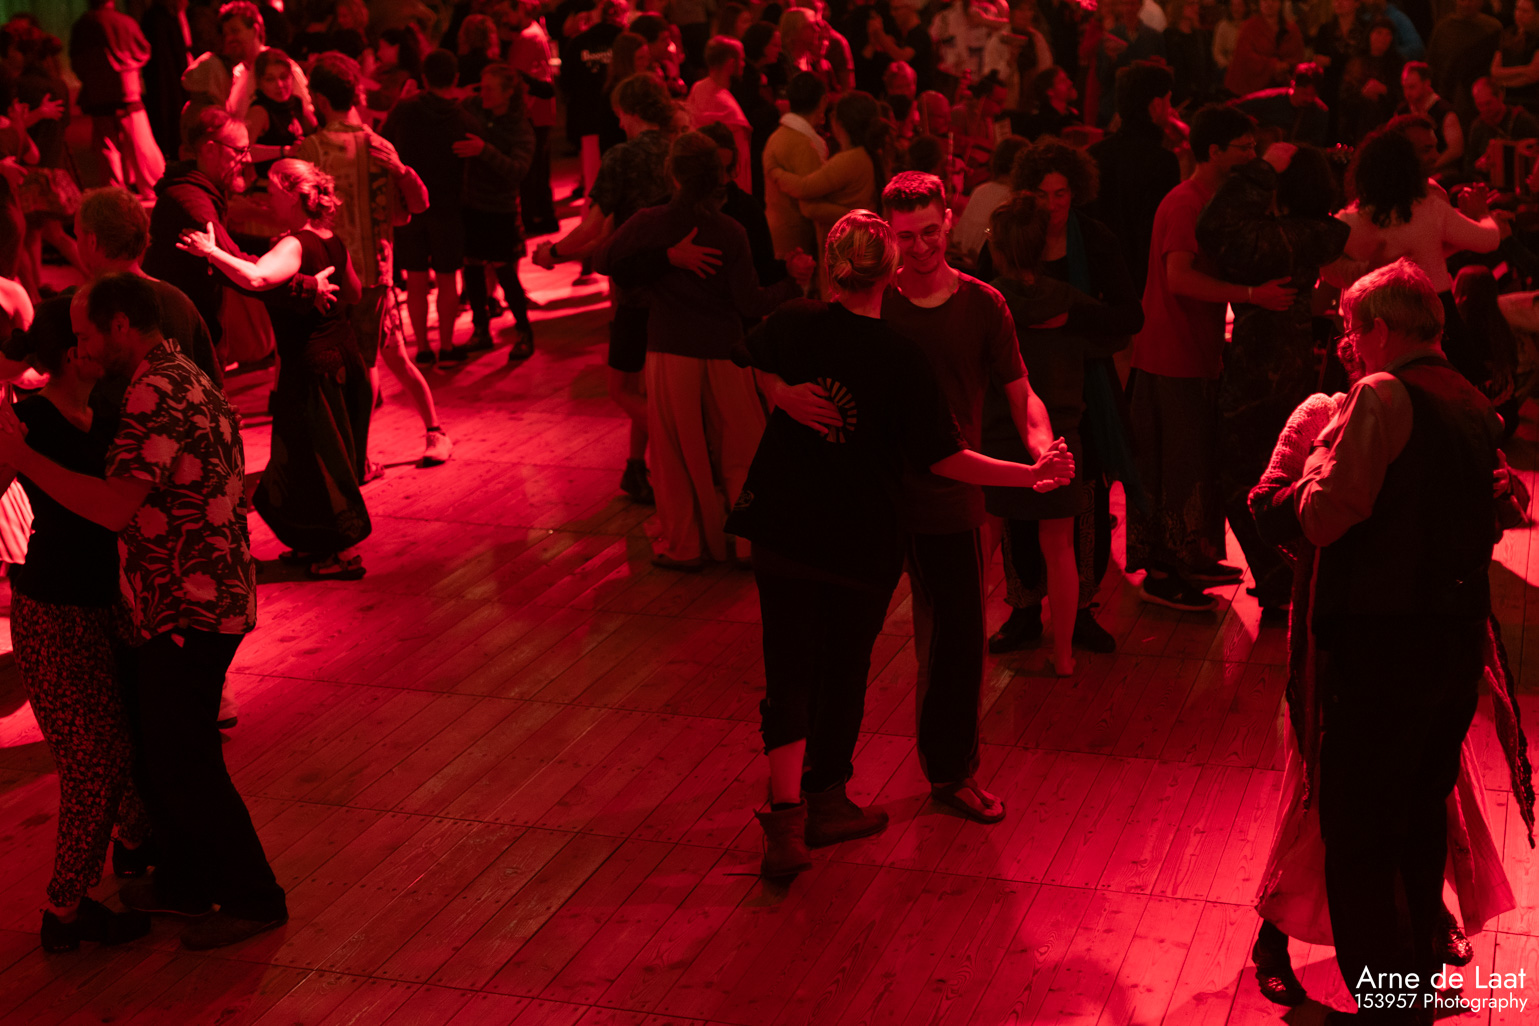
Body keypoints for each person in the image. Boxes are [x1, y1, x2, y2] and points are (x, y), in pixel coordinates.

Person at [729, 210, 1072, 877]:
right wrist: (1028, 476)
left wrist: (781, 393)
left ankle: (785, 819)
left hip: (780, 523)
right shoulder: (898, 357)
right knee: (843, 670)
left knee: (788, 670)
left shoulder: (795, 321)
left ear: (833, 269)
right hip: (857, 537)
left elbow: (750, 354)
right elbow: (944, 458)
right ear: (889, 274)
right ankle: (827, 802)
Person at [1249, 259, 1502, 1024]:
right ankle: (1414, 992)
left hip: (1384, 650)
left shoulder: (1382, 394)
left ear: (1381, 329)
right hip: (1452, 646)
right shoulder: (1469, 399)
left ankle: (1386, 1009)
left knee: (1359, 835)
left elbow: (1325, 516)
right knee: (1420, 824)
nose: (1348, 345)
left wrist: (1296, 483)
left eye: (1352, 330)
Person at [0, 273, 285, 949]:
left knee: (184, 761)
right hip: (178, 601)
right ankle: (184, 883)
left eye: (88, 332)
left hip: (188, 606)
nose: (83, 346)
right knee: (161, 755)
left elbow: (111, 507)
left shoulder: (153, 392)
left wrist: (23, 458)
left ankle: (253, 898)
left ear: (120, 326)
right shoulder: (172, 375)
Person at [0, 293, 153, 953]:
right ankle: (63, 911)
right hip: (52, 611)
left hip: (109, 602)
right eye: (92, 336)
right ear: (73, 352)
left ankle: (136, 845)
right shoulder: (30, 420)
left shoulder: (111, 409)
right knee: (94, 759)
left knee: (133, 738)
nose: (105, 345)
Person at [594, 131, 812, 569]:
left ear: (672, 174)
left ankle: (687, 545)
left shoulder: (649, 222)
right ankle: (749, 544)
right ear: (719, 176)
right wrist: (794, 283)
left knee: (674, 454)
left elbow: (603, 261)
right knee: (742, 449)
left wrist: (664, 258)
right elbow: (751, 303)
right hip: (725, 352)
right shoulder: (731, 230)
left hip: (669, 352)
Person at [1125, 105, 1295, 611]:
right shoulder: (1186, 203)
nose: (1251, 156)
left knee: (1193, 463)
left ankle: (1189, 557)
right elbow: (1178, 278)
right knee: (1173, 467)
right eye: (1244, 147)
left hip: (1194, 352)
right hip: (1170, 353)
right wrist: (1252, 295)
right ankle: (1164, 572)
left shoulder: (1214, 201)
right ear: (1214, 151)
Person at [178, 158, 370, 579]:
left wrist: (210, 251)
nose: (265, 197)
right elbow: (354, 292)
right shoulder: (329, 239)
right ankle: (312, 544)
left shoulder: (296, 245)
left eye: (270, 189)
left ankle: (339, 555)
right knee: (302, 457)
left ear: (290, 191)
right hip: (342, 357)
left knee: (319, 461)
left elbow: (258, 280)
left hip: (312, 367)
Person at [987, 140, 1140, 656]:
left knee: (1084, 500)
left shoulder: (1093, 239)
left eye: (1062, 193)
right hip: (1016, 395)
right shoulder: (1012, 238)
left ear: (1076, 192)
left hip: (1081, 390)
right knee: (1019, 501)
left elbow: (1129, 316)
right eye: (1043, 194)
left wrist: (1070, 319)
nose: (1053, 204)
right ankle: (1024, 609)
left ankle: (1080, 613)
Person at [1195, 141, 1349, 620]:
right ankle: (1288, 577)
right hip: (1290, 358)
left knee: (1241, 474)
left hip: (1260, 364)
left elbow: (1213, 227)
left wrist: (1262, 170)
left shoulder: (1277, 237)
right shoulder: (1318, 232)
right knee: (1281, 470)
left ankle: (1280, 578)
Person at [294, 51, 450, 469]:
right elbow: (414, 207)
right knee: (390, 358)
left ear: (320, 99)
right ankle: (432, 432)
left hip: (335, 280)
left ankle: (358, 456)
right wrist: (401, 172)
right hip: (377, 277)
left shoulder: (311, 150)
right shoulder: (379, 145)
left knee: (364, 367)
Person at [534, 72, 678, 505]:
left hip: (636, 287)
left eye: (619, 114)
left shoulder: (622, 156)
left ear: (631, 112)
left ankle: (688, 449)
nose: (618, 123)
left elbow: (594, 226)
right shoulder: (680, 147)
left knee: (621, 389)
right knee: (648, 388)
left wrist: (553, 253)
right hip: (678, 284)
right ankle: (636, 468)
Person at [142, 105, 335, 359]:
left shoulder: (202, 192)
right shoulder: (192, 205)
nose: (247, 159)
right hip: (182, 343)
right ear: (211, 149)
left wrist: (269, 245)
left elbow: (224, 247)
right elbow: (235, 268)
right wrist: (308, 288)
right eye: (240, 151)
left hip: (190, 332)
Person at [1338, 126, 1499, 387]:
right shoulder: (1429, 208)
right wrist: (1483, 214)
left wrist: (1366, 269)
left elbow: (1327, 268)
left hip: (1373, 320)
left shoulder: (1348, 222)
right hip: (1431, 312)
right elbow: (1488, 240)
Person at [381, 49, 481, 364]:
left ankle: (423, 348)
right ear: (455, 78)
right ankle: (448, 346)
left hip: (410, 207)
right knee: (448, 277)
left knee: (416, 279)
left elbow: (384, 143)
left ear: (424, 78)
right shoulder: (464, 119)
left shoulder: (405, 111)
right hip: (449, 210)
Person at [77, 186, 222, 390]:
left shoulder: (82, 307)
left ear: (92, 241)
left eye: (77, 236)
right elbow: (214, 389)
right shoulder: (179, 302)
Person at [456, 62, 537, 362]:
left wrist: (484, 150)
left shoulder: (519, 127)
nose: (484, 93)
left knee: (505, 272)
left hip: (500, 209)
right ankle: (481, 330)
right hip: (471, 205)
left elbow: (518, 170)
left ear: (507, 93)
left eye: (490, 89)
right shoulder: (473, 108)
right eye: (482, 87)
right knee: (472, 268)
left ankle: (524, 332)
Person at [1086, 60, 1179, 293]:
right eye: (1169, 101)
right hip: (1142, 284)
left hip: (1097, 279)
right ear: (1156, 105)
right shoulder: (1162, 161)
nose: (1171, 109)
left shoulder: (1093, 155)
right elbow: (1157, 232)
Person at [766, 91, 891, 261]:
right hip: (857, 247)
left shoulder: (850, 159)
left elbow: (804, 189)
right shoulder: (869, 156)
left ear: (840, 123)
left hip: (845, 251)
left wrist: (775, 171)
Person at [70, 0, 165, 201]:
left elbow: (76, 61)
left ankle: (115, 194)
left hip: (97, 96)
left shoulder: (83, 24)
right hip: (128, 92)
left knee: (107, 148)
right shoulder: (125, 22)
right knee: (140, 144)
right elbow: (144, 50)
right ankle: (151, 188)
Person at [762, 71, 828, 260]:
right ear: (822, 101)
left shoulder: (777, 136)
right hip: (796, 241)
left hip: (776, 232)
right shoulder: (804, 144)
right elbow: (814, 200)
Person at [686, 36, 754, 194]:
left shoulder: (698, 88)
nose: (744, 64)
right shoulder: (728, 108)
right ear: (731, 64)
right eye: (741, 59)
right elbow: (740, 162)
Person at [953, 135, 1028, 266]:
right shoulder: (1013, 199)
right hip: (983, 269)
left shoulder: (980, 190)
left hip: (961, 263)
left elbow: (959, 240)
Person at [1424, 0, 1499, 128]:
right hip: (1446, 97)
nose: (1466, 4)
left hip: (1479, 100)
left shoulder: (1492, 29)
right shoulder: (1443, 28)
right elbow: (1431, 65)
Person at [1095, 0, 1167, 125]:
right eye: (1125, 4)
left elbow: (1162, 74)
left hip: (1144, 105)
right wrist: (1110, 59)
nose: (1129, 8)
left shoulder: (1154, 37)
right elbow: (1102, 77)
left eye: (1132, 4)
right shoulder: (1111, 36)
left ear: (1140, 6)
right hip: (1115, 104)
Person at [141, 0, 194, 161]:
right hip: (167, 84)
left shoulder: (170, 16)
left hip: (170, 82)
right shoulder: (159, 19)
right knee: (168, 119)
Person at [1235, 62, 1330, 147]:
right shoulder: (1269, 99)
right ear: (1293, 84)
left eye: (1313, 94)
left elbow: (1315, 145)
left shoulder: (1320, 112)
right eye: (1304, 93)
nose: (1309, 99)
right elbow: (1234, 109)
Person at [1465, 76, 1539, 182]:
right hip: (1488, 183)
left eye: (1488, 103)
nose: (1485, 109)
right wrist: (1478, 165)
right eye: (1480, 105)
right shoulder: (1478, 126)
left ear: (1500, 96)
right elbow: (1468, 164)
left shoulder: (1522, 120)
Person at [1225, 0, 1304, 97]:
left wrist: (1285, 66)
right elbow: (1245, 56)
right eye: (1265, 0)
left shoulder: (1291, 29)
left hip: (1282, 89)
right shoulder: (1249, 27)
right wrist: (1273, 65)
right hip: (1251, 89)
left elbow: (1297, 57)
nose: (1269, 3)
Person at [1397, 61, 1463, 176]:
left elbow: (1456, 150)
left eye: (1412, 87)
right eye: (1405, 87)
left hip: (1442, 173)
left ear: (1426, 83)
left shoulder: (1444, 112)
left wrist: (1430, 168)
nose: (1407, 92)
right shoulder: (1402, 111)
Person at [1492, 0, 1539, 115]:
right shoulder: (1508, 34)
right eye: (1517, 9)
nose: (1519, 14)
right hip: (1505, 100)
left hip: (1532, 101)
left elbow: (1533, 75)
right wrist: (1525, 70)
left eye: (1525, 11)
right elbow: (1495, 71)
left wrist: (1504, 79)